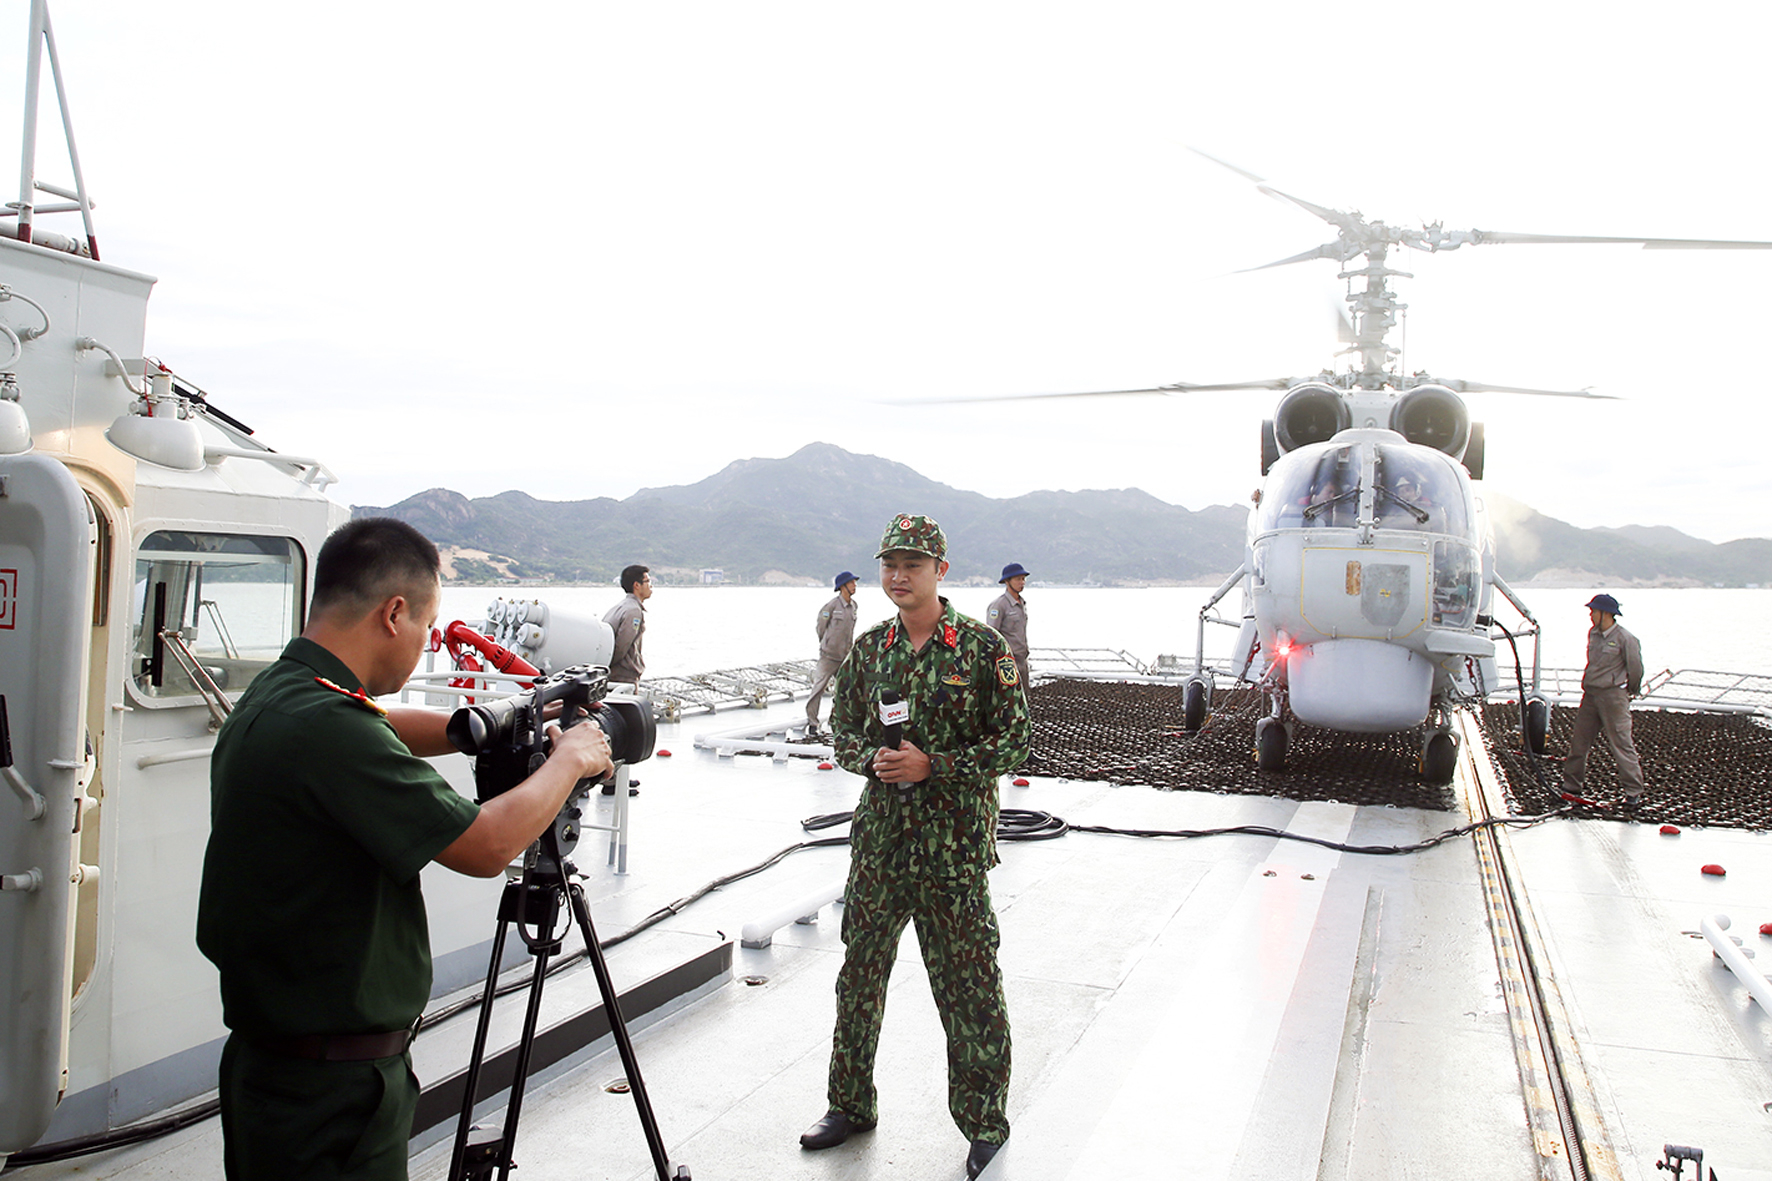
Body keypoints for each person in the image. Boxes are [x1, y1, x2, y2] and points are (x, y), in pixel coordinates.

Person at [196, 518, 612, 1181]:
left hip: (279, 1067)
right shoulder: (330, 731)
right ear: (394, 613)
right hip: (332, 1096)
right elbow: (484, 844)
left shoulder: (281, 693)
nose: (426, 643)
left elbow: (378, 722)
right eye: (427, 625)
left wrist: (480, 723)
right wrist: (572, 760)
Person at [800, 513, 1031, 1181]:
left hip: (952, 852)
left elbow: (1014, 742)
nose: (898, 576)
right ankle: (849, 1104)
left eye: (912, 564)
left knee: (968, 986)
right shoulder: (871, 649)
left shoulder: (983, 649)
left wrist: (940, 766)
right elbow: (843, 730)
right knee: (860, 977)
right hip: (880, 847)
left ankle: (985, 1121)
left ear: (941, 571)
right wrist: (870, 757)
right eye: (889, 564)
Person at [1561, 592, 1647, 812]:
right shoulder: (1594, 634)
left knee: (1621, 744)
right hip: (1591, 696)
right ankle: (1571, 788)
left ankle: (1633, 793)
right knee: (1579, 743)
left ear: (1606, 614)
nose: (1591, 615)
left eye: (1594, 611)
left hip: (1613, 697)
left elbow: (1635, 669)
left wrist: (1630, 692)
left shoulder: (1625, 639)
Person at [806, 570, 860, 734]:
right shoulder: (831, 606)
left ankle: (838, 720)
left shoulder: (854, 606)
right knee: (819, 688)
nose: (855, 585)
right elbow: (820, 627)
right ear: (843, 586)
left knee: (847, 689)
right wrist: (827, 644)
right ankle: (813, 722)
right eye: (851, 583)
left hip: (845, 656)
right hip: (828, 656)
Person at [603, 564, 651, 685]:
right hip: (622, 677)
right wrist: (609, 665)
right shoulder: (633, 611)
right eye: (647, 581)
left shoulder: (620, 607)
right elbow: (622, 645)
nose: (650, 586)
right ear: (637, 585)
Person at [986, 562, 1031, 687]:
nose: (1022, 582)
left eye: (1023, 579)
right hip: (1007, 662)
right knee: (1010, 701)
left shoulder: (1021, 603)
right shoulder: (999, 605)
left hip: (1022, 660)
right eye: (1018, 579)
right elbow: (991, 636)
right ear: (1007, 581)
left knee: (1024, 699)